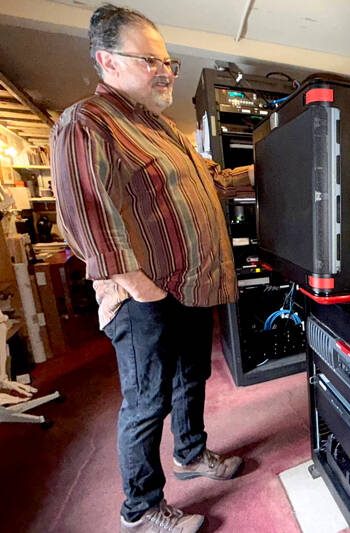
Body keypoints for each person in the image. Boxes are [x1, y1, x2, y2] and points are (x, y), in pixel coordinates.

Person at [50, 4, 251, 532]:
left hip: (186, 289)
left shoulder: (165, 131)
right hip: (143, 295)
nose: (165, 71)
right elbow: (87, 219)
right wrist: (142, 290)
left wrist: (284, 160)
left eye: (169, 61)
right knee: (145, 403)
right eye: (150, 60)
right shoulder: (86, 123)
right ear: (107, 62)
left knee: (192, 379)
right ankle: (140, 509)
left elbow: (217, 181)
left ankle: (190, 454)